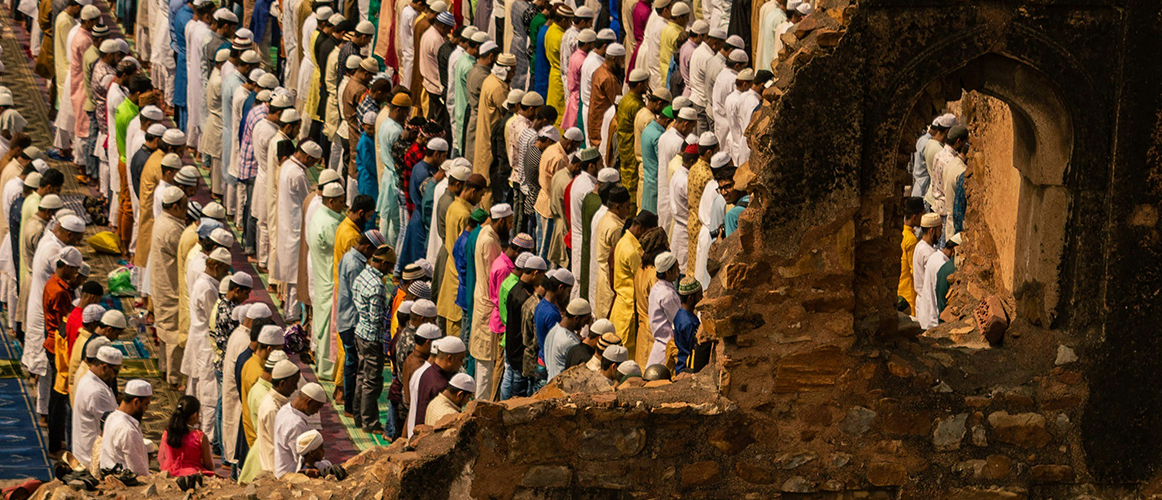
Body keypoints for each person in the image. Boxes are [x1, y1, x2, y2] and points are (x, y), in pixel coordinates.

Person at [274, 141, 324, 319]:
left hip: (287, 224)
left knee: (290, 273)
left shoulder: (288, 165)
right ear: (308, 157)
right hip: (296, 228)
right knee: (296, 273)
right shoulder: (298, 174)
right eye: (313, 162)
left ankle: (289, 308)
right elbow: (307, 200)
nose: (312, 166)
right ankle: (292, 314)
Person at [353, 244, 397, 434]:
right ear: (384, 263)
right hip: (372, 338)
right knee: (372, 382)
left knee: (361, 377)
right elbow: (376, 318)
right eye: (390, 266)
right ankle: (369, 422)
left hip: (360, 332)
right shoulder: (377, 285)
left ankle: (358, 416)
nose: (390, 271)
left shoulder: (362, 275)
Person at [470, 204, 513, 401]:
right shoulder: (488, 241)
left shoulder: (487, 233)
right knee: (486, 370)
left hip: (485, 305)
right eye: (510, 222)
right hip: (488, 309)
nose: (511, 226)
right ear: (501, 221)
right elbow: (492, 280)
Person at [238, 357, 300, 483]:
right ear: (282, 384)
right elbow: (279, 444)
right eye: (293, 383)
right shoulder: (272, 408)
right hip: (274, 469)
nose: (295, 388)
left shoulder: (276, 402)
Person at [151, 184, 188, 381]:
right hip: (170, 284)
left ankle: (165, 368)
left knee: (165, 328)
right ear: (175, 207)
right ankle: (174, 377)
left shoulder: (164, 220)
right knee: (173, 331)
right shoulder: (172, 228)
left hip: (163, 281)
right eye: (184, 207)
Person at [71, 345, 121, 468]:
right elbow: (112, 427)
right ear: (104, 368)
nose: (115, 376)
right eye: (115, 371)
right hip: (92, 457)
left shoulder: (91, 380)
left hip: (86, 450)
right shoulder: (96, 392)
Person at [407, 336, 466, 437]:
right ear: (449, 358)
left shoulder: (427, 372)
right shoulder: (440, 386)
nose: (462, 363)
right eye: (460, 359)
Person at [272, 383, 327, 478]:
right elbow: (303, 459)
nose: (317, 412)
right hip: (290, 475)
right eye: (317, 407)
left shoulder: (285, 409)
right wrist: (326, 465)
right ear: (308, 402)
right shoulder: (295, 424)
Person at [100, 379, 153, 477]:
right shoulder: (127, 430)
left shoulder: (112, 417)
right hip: (124, 480)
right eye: (146, 404)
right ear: (136, 402)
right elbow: (137, 471)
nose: (147, 409)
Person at [160, 396, 214, 477]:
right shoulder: (200, 436)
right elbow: (208, 464)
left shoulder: (168, 433)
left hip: (171, 472)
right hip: (193, 474)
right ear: (194, 415)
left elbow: (163, 457)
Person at [917, 233, 960, 329]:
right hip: (932, 320)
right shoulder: (942, 264)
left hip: (925, 315)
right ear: (954, 250)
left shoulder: (935, 256)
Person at [544, 298, 592, 380]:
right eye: (586, 320)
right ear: (576, 318)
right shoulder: (569, 341)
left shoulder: (553, 331)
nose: (586, 324)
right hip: (561, 387)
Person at [647, 251, 680, 367]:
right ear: (668, 272)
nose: (679, 271)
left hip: (659, 345)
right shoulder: (667, 295)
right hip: (666, 346)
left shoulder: (657, 288)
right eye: (676, 268)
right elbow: (678, 321)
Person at [673, 276, 707, 373]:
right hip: (688, 366)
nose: (702, 298)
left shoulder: (680, 313)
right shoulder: (689, 323)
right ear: (690, 298)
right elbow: (695, 347)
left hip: (681, 363)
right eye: (700, 296)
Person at [911, 212, 942, 321]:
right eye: (939, 230)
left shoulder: (919, 246)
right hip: (928, 304)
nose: (941, 234)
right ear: (931, 231)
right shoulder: (928, 253)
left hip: (921, 302)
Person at [897, 197, 925, 314]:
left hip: (900, 290)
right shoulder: (911, 240)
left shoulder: (902, 234)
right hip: (909, 294)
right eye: (921, 216)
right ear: (915, 217)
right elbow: (915, 270)